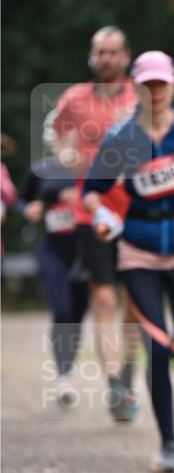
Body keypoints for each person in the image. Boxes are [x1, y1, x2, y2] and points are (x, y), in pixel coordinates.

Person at [82, 50, 174, 473]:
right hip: (139, 252)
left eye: (161, 84)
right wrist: (103, 216)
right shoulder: (121, 135)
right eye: (147, 84)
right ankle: (168, 443)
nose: (154, 91)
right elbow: (92, 190)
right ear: (135, 86)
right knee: (157, 348)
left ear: (173, 83)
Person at [52, 26, 139, 420]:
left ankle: (129, 373)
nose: (106, 58)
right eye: (100, 52)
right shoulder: (74, 98)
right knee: (103, 297)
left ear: (125, 56)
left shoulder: (141, 97)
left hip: (136, 211)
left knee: (135, 302)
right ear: (92, 56)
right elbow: (57, 137)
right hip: (94, 212)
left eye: (112, 52)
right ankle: (114, 384)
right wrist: (66, 157)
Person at [18, 119, 88, 406]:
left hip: (83, 252)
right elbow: (21, 200)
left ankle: (67, 369)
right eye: (60, 136)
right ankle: (63, 378)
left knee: (77, 315)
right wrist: (28, 209)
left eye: (72, 136)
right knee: (62, 309)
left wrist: (81, 198)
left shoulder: (90, 169)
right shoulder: (40, 170)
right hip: (52, 250)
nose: (66, 141)